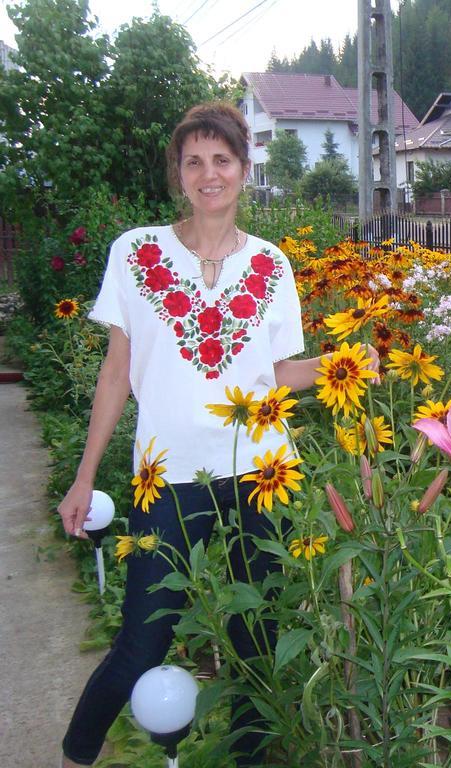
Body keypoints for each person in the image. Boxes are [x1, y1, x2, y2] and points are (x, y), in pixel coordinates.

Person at [56, 102, 367, 767]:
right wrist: (83, 478)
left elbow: (274, 371)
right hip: (165, 477)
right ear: (178, 173)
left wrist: (341, 366)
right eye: (194, 161)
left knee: (255, 637)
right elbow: (116, 373)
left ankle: (248, 759)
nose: (208, 174)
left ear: (244, 170)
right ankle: (78, 753)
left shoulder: (272, 264)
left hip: (263, 472)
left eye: (221, 160)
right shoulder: (138, 254)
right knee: (144, 637)